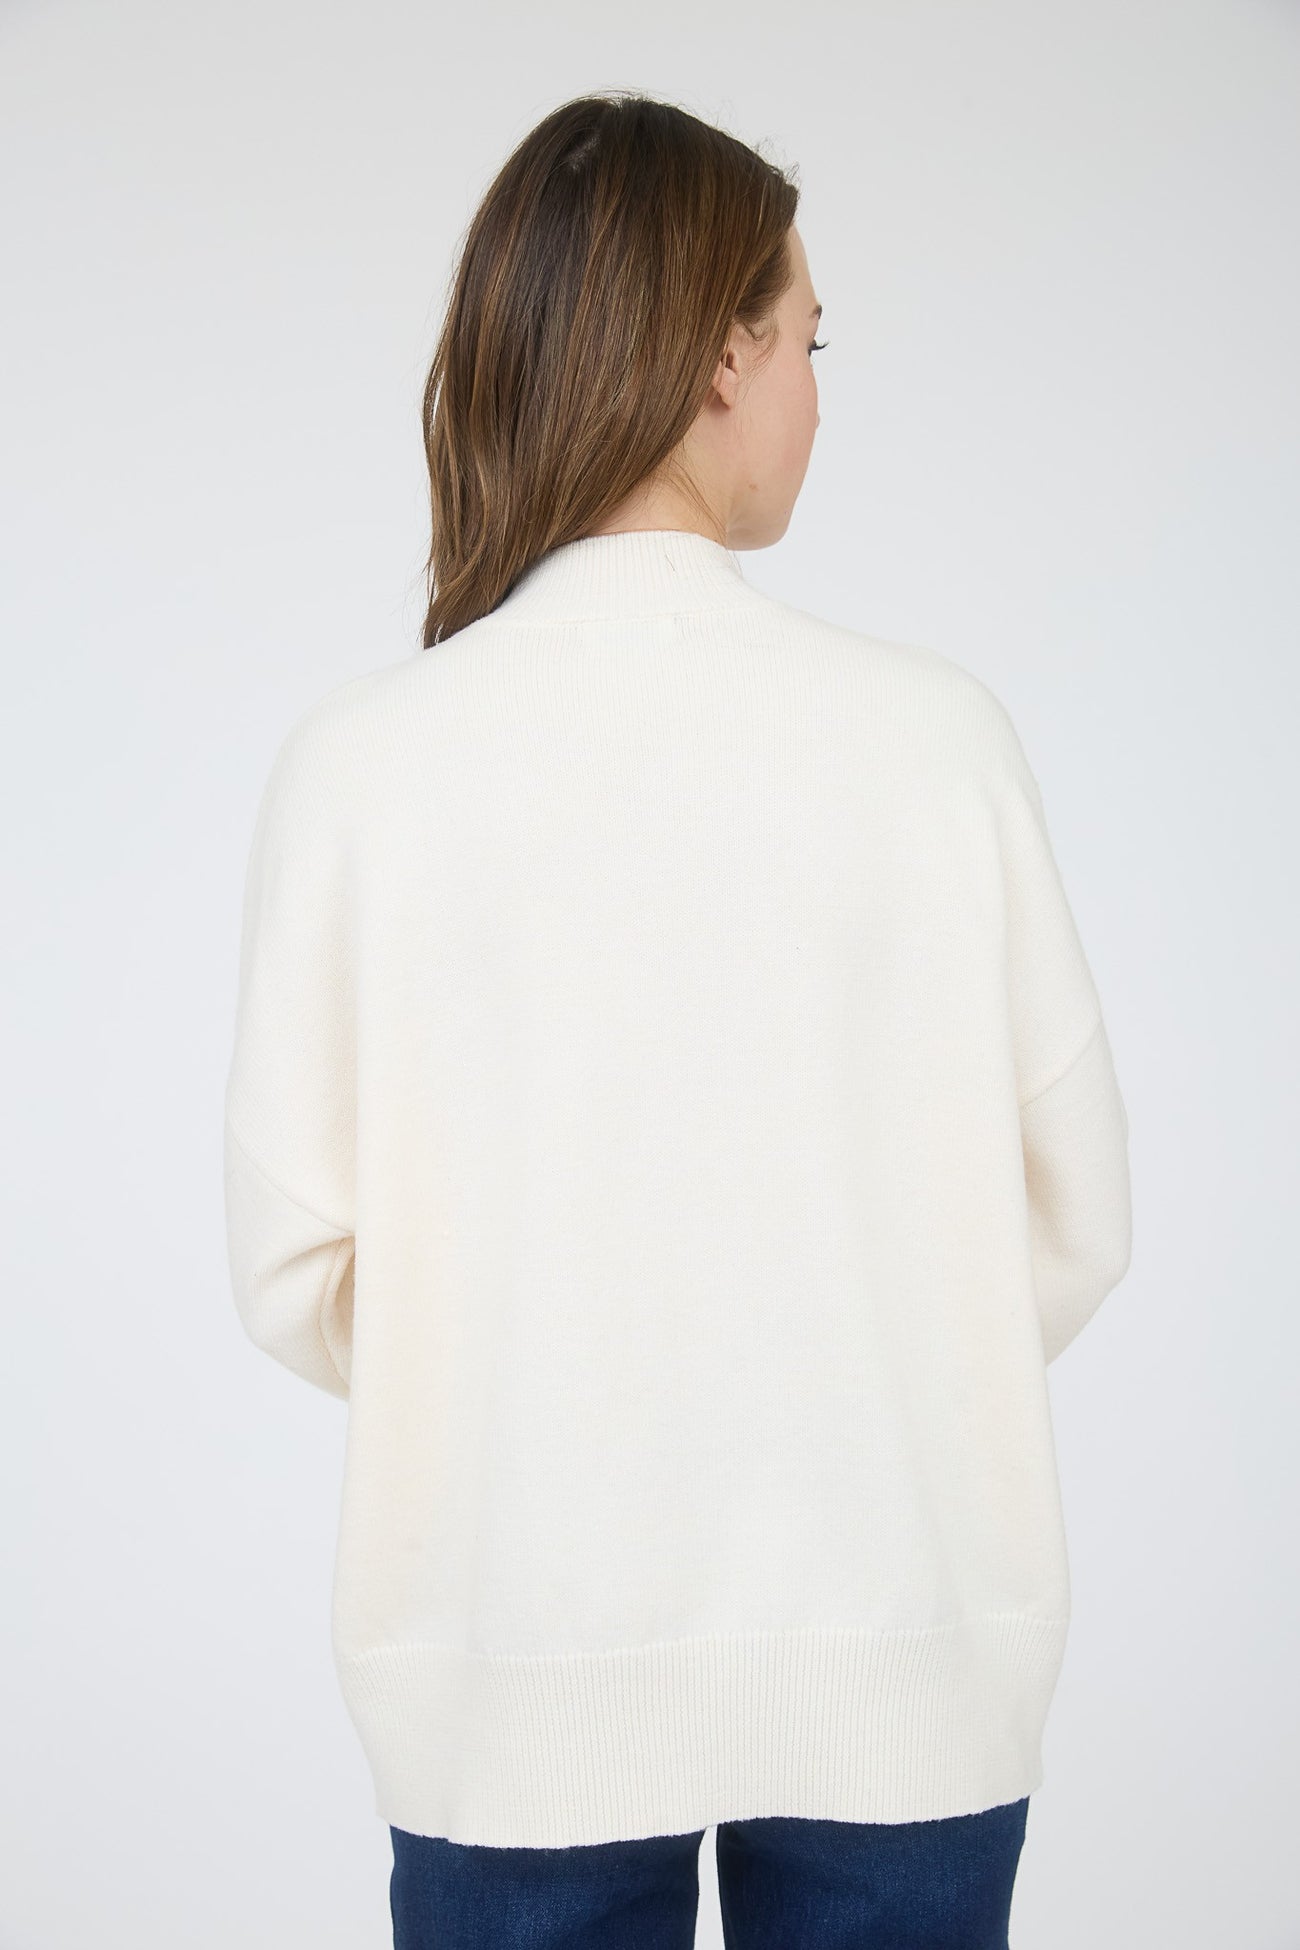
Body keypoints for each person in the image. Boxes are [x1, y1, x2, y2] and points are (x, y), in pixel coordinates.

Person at [222, 90, 1133, 1950]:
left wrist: (530, 1377)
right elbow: (1072, 1218)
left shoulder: (364, 768)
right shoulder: (935, 742)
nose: (817, 393)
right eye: (809, 342)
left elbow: (296, 1264)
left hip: (509, 1666)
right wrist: (863, 1355)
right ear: (722, 352)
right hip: (906, 1647)